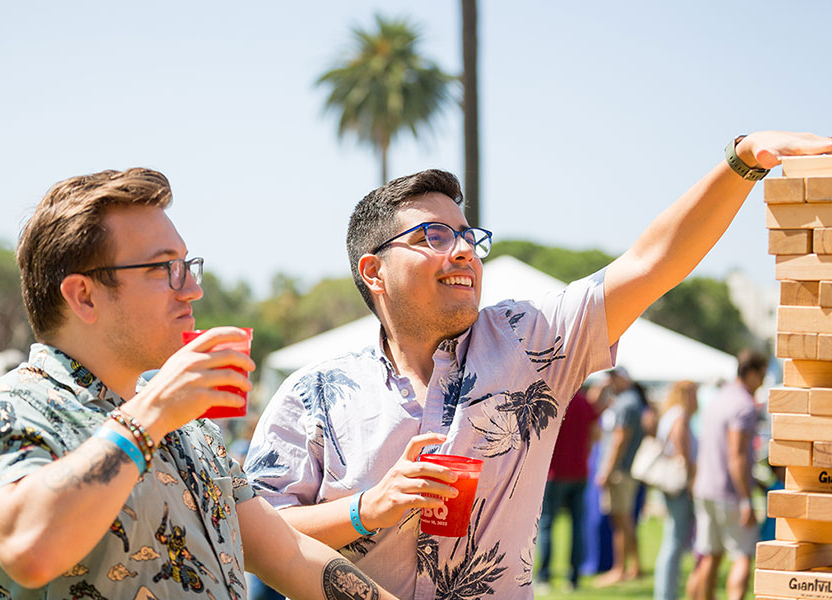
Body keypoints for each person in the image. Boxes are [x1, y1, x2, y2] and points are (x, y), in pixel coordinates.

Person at [245, 133, 832, 599]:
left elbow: (653, 262)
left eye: (468, 235)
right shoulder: (310, 395)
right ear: (374, 272)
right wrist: (368, 508)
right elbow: (256, 533)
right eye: (432, 235)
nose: (464, 251)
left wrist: (742, 160)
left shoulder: (533, 342)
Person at [0, 168, 398, 600]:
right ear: (84, 296)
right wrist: (154, 413)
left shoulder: (189, 427)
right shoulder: (8, 409)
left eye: (187, 265)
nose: (191, 290)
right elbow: (29, 550)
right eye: (165, 269)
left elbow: (288, 554)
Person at [686, 350, 768, 600]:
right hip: (729, 492)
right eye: (762, 375)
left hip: (705, 488)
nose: (763, 381)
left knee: (709, 556)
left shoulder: (718, 398)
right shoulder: (743, 405)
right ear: (751, 373)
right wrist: (746, 500)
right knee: (742, 556)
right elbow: (737, 455)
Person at [535, 387, 600, 592]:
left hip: (554, 473)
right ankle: (574, 578)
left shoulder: (552, 399)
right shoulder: (584, 402)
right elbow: (595, 435)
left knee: (546, 525)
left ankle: (544, 576)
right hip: (579, 472)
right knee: (577, 526)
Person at [593, 366, 645, 586]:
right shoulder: (629, 400)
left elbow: (620, 439)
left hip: (620, 471)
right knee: (624, 520)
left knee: (621, 520)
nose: (611, 382)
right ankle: (633, 567)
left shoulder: (626, 403)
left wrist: (607, 469)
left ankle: (620, 569)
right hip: (623, 470)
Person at [652, 380, 698, 600]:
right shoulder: (680, 416)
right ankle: (666, 594)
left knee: (672, 539)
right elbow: (683, 450)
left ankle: (666, 592)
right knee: (675, 541)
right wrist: (691, 480)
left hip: (669, 485)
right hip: (678, 485)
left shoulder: (670, 413)